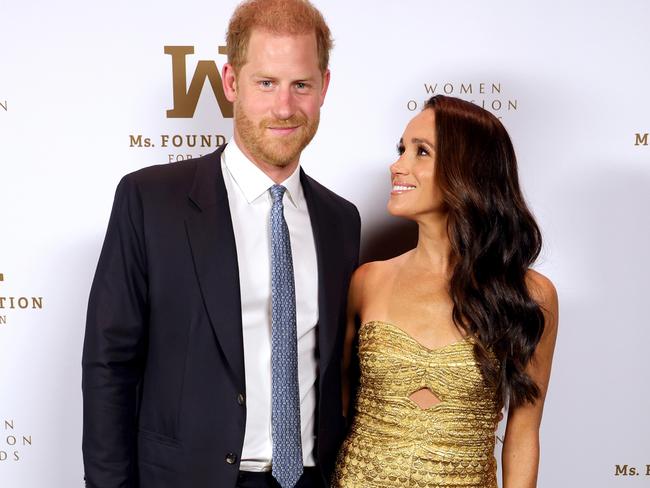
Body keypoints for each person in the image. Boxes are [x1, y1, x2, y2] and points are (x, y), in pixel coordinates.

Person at [81, 1, 360, 487]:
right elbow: (110, 364)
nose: (284, 108)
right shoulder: (151, 201)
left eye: (301, 85)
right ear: (231, 82)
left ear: (324, 88)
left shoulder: (341, 220)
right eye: (265, 83)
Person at [333, 95, 558, 488]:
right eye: (401, 149)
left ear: (468, 171)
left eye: (421, 152)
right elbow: (338, 412)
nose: (397, 165)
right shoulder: (367, 281)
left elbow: (523, 434)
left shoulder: (530, 296)